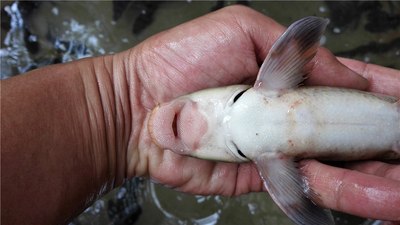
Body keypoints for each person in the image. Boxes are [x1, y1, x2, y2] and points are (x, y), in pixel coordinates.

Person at [2, 5, 399, 225]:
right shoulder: (272, 160)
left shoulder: (269, 87)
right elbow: (299, 204)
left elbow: (303, 35)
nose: (171, 130)